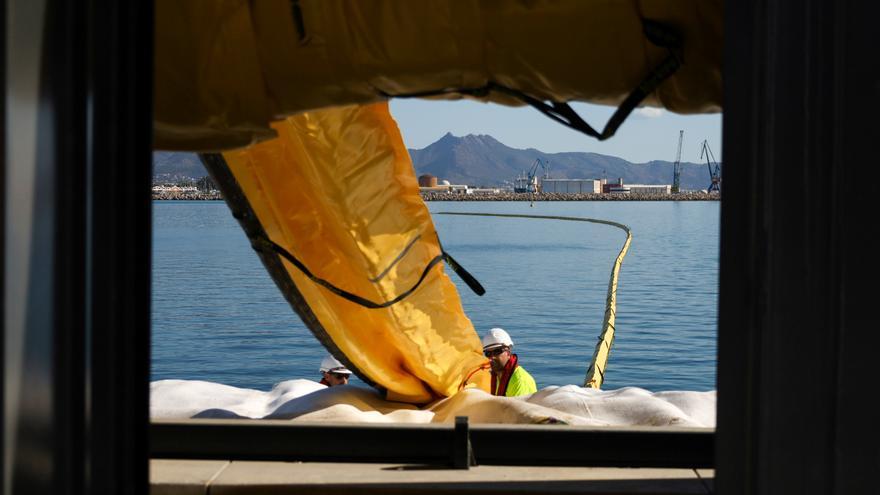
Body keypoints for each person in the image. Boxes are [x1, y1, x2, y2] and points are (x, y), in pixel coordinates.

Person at [481, 327, 537, 397]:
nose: (492, 357)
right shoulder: (496, 377)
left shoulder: (520, 380)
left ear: (508, 352)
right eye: (488, 353)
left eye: (497, 351)